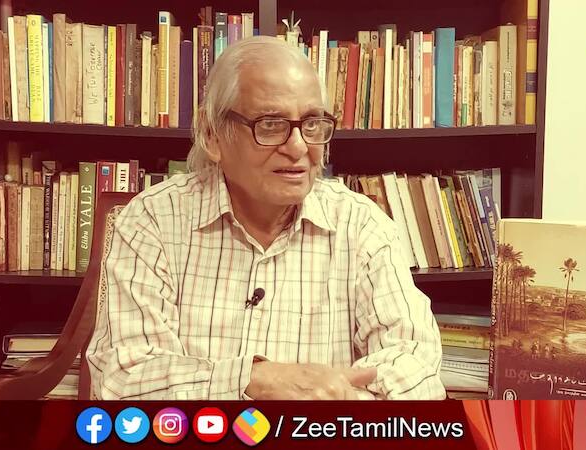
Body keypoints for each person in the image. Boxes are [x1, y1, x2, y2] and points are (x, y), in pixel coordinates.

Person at [86, 36, 445, 400]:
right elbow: (124, 377)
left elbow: (416, 366)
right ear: (212, 134)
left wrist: (331, 405)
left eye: (312, 123)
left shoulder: (362, 225)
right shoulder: (153, 220)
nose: (299, 147)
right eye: (271, 124)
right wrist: (253, 380)